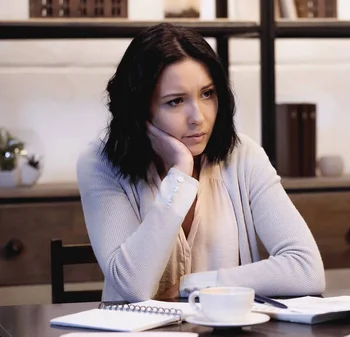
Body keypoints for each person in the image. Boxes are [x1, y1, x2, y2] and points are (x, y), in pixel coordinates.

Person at [76, 23, 326, 302]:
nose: (198, 117)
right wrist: (180, 174)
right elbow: (134, 286)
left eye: (207, 94)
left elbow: (307, 270)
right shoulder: (100, 164)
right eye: (175, 101)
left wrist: (198, 284)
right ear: (139, 109)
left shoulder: (243, 156)